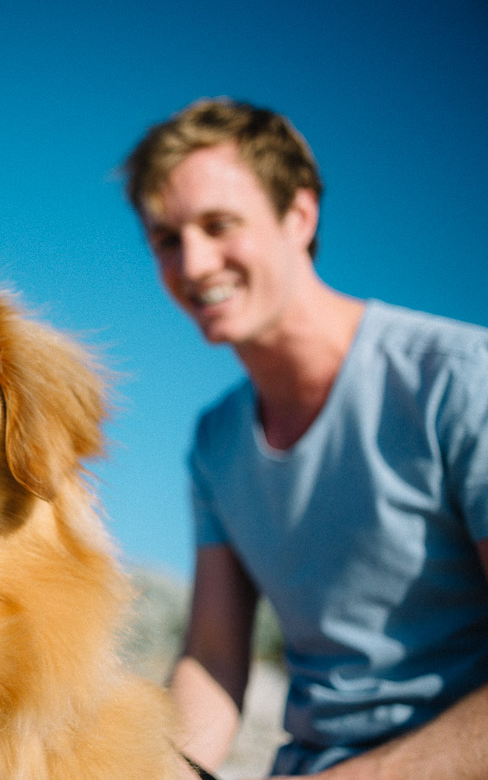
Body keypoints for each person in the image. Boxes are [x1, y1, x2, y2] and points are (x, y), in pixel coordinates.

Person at [122, 99, 488, 778]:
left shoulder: (461, 380)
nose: (194, 263)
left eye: (219, 225)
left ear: (300, 215)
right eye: (167, 239)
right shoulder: (218, 440)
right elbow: (213, 654)